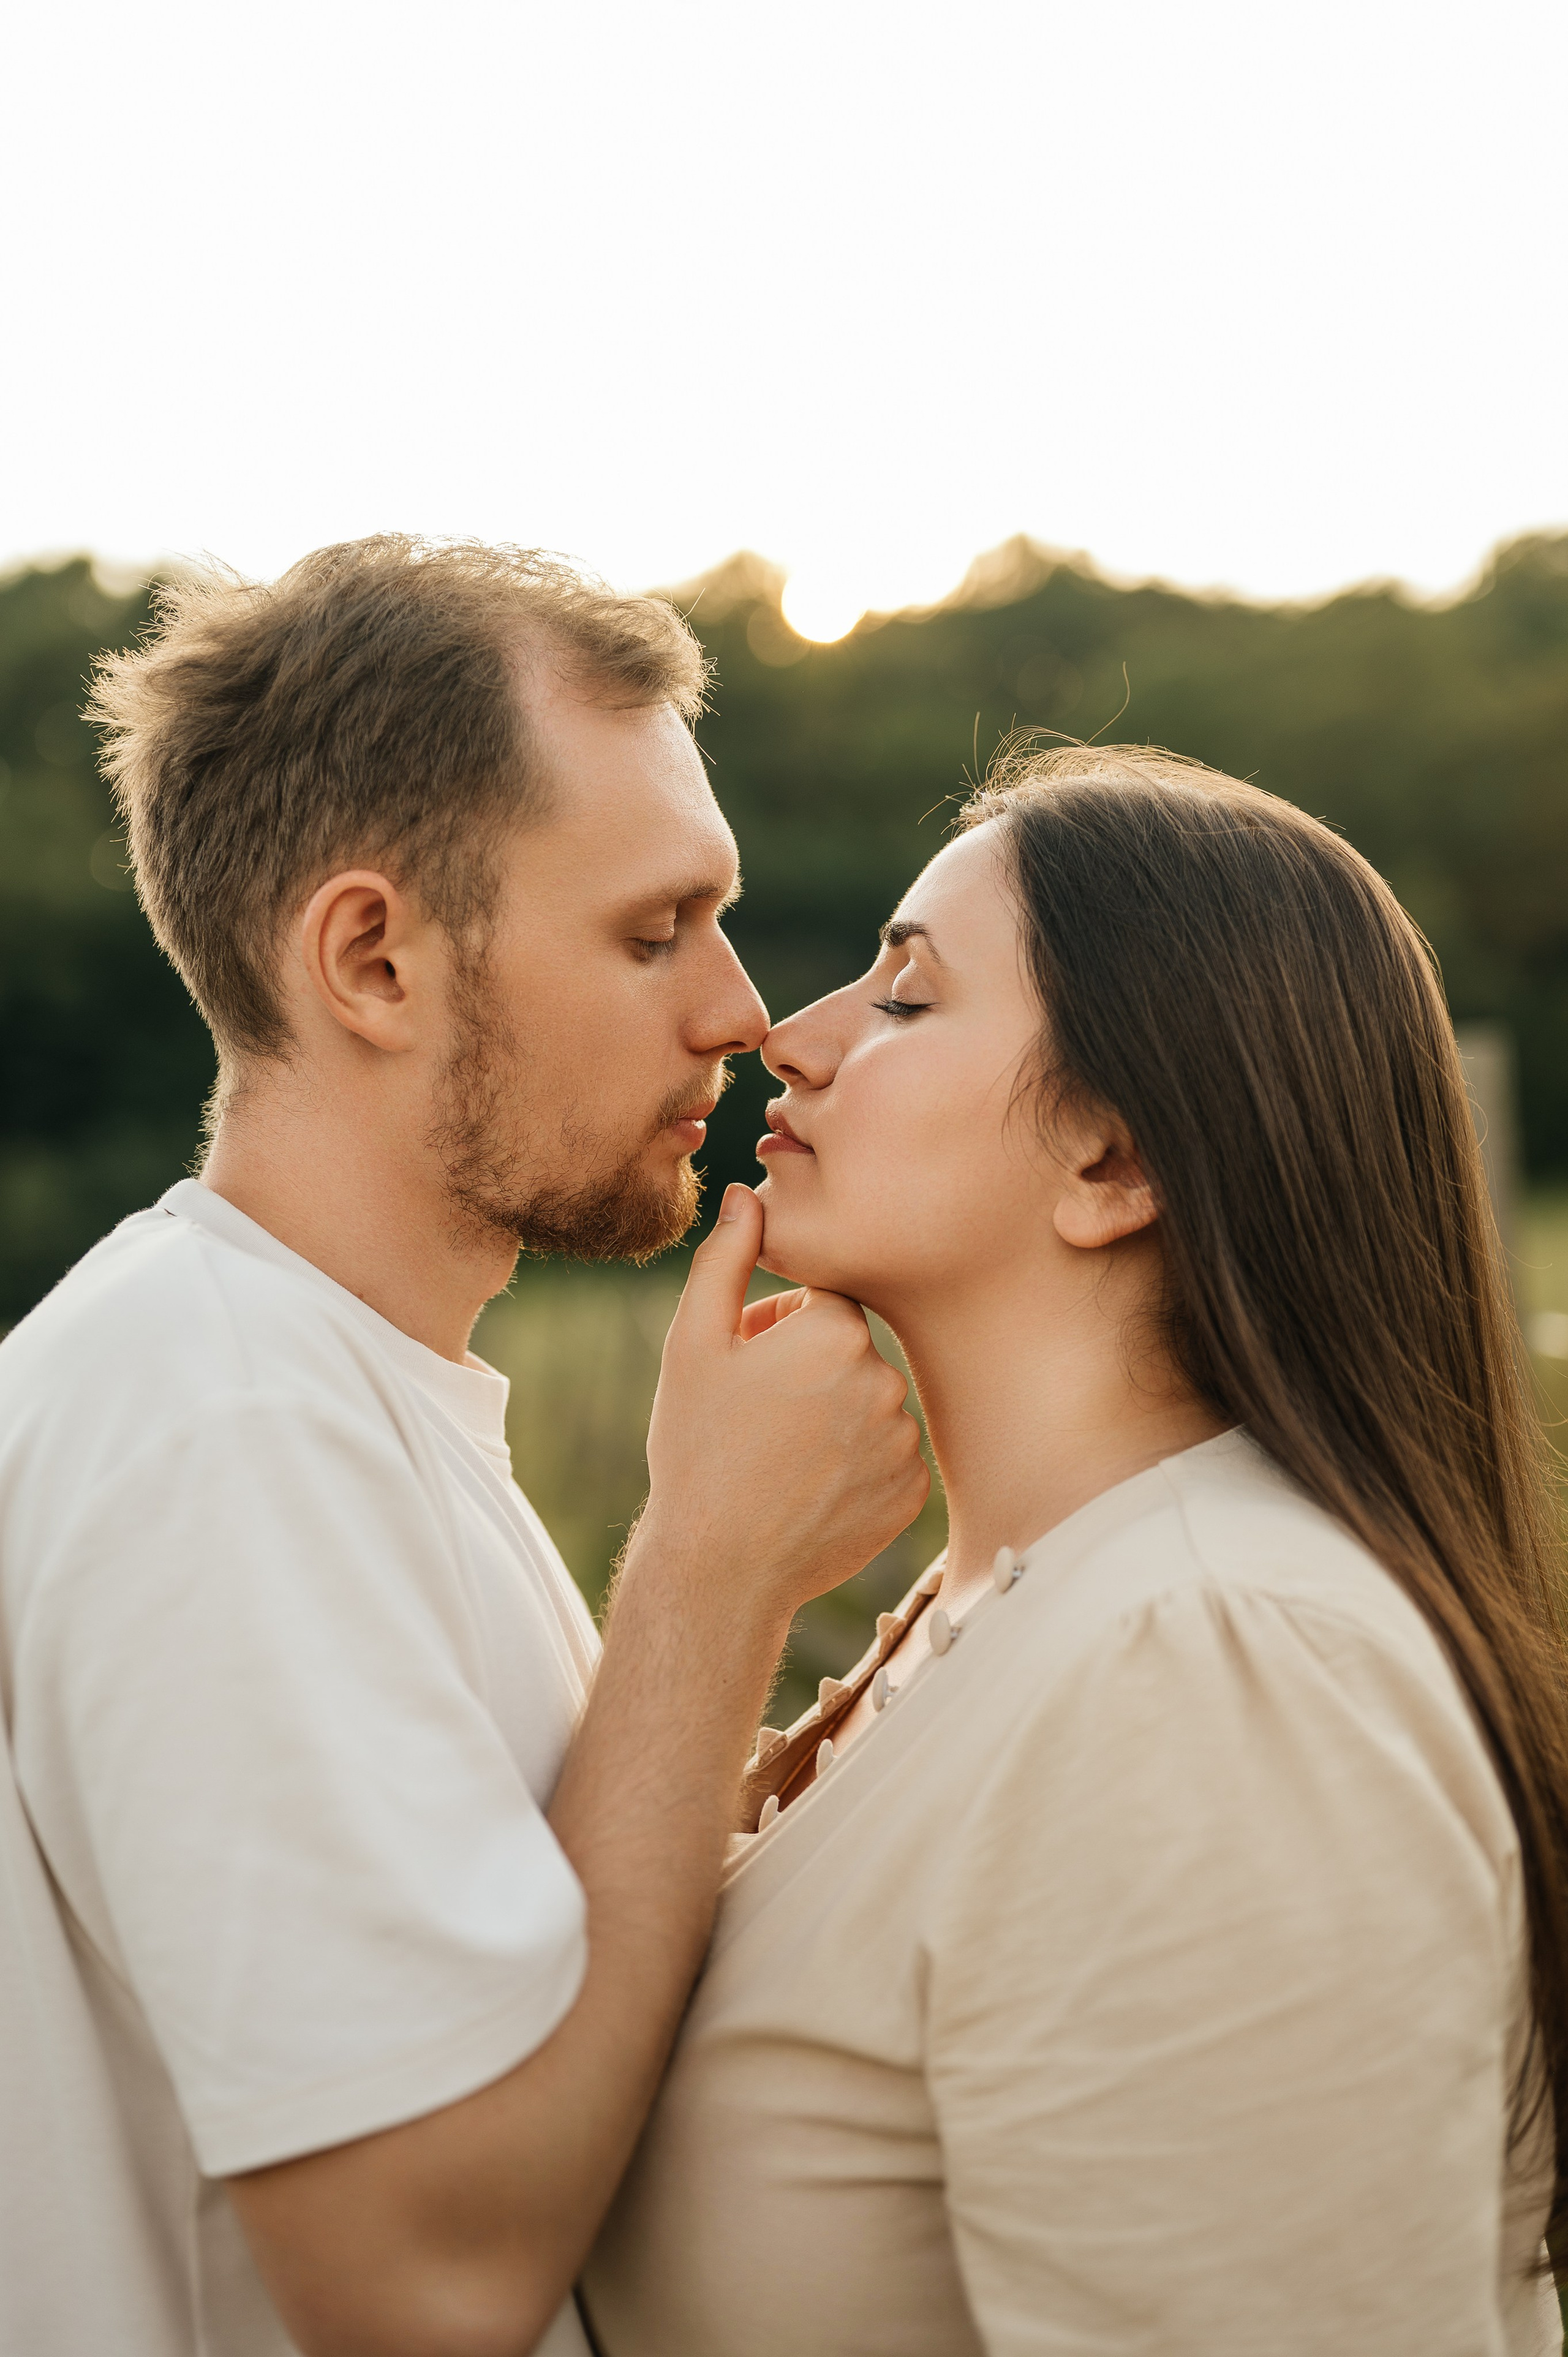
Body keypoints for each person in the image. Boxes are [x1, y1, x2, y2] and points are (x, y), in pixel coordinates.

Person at [0, 537, 928, 2357]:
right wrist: (711, 1569)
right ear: (373, 961)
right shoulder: (222, 1430)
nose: (739, 1010)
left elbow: (520, 1974)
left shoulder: (308, 1391)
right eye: (653, 932)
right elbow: (424, 2286)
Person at [585, 744, 1568, 2356]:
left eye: (907, 997)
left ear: (1113, 1161)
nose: (791, 1036)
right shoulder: (1012, 1608)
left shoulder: (1216, 1666)